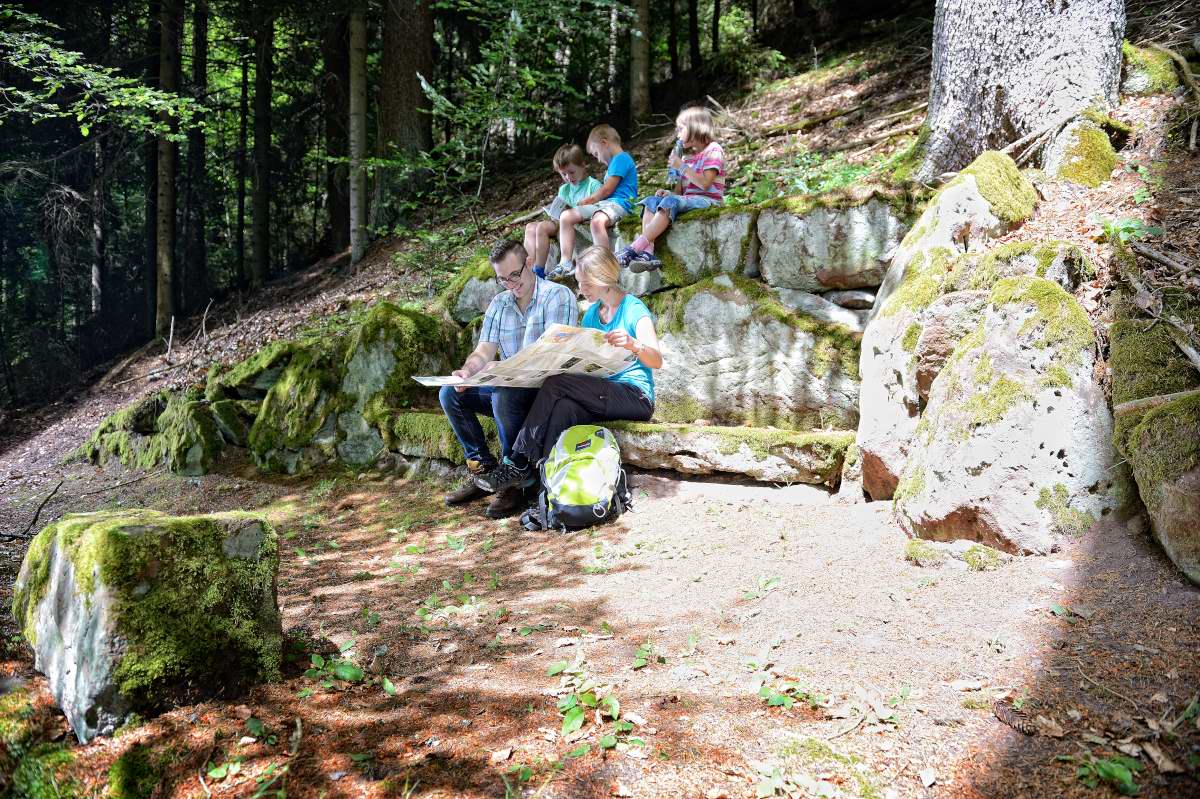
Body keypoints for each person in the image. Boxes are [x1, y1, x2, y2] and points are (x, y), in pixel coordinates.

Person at [477, 246, 661, 493]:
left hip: (634, 396)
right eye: (579, 283)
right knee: (563, 408)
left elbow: (656, 360)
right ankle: (548, 493)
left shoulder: (632, 308)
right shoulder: (592, 314)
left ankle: (518, 460)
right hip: (601, 392)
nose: (581, 290)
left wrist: (633, 344)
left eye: (585, 284)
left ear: (603, 278)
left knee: (557, 383)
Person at [439, 239, 577, 517]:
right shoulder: (499, 303)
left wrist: (506, 370)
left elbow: (555, 355)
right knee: (451, 393)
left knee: (503, 390)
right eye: (503, 279)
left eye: (515, 275)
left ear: (529, 263)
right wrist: (468, 371)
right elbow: (484, 350)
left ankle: (514, 475)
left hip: (543, 392)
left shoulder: (557, 295)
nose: (511, 284)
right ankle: (485, 472)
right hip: (509, 387)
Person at [615, 106, 726, 272]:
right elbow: (680, 194)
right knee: (651, 201)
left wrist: (681, 167)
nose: (678, 134)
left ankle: (634, 248)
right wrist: (668, 192)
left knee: (669, 202)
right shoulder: (688, 158)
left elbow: (705, 184)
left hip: (709, 201)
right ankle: (647, 253)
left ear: (696, 128)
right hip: (690, 200)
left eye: (681, 129)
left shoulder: (714, 150)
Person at [547, 124, 639, 279]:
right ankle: (565, 262)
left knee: (597, 222)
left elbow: (607, 190)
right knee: (566, 216)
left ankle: (605, 265)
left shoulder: (621, 159)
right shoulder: (615, 163)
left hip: (620, 205)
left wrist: (590, 200)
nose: (597, 158)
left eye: (596, 153)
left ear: (604, 143)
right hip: (606, 205)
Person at [523, 144, 602, 279]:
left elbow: (598, 208)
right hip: (559, 222)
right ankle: (527, 270)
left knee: (541, 227)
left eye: (571, 172)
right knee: (530, 227)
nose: (568, 177)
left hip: (573, 223)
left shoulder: (592, 185)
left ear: (583, 165)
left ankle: (539, 271)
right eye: (563, 174)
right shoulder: (564, 189)